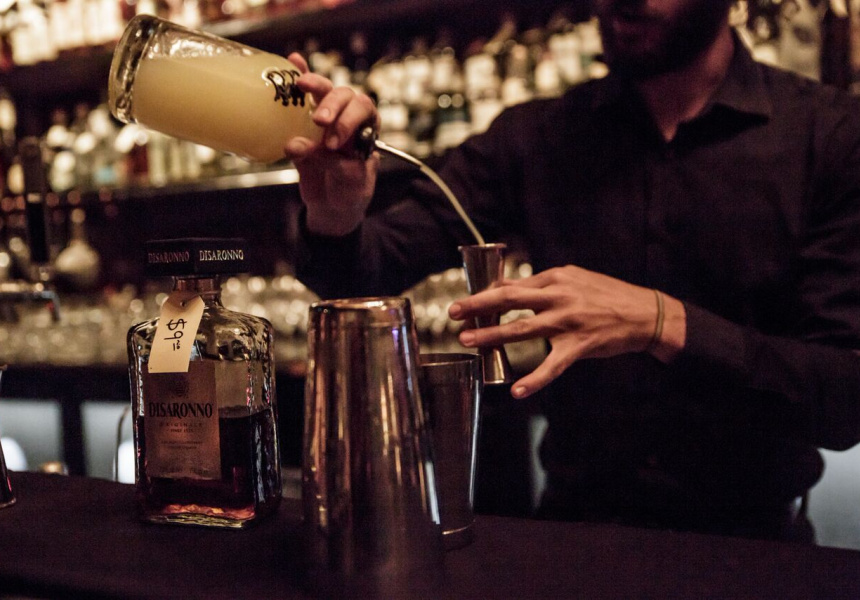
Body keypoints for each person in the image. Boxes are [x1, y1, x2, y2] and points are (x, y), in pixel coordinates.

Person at [284, 0, 860, 541]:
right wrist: (335, 213)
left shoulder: (828, 135)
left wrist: (662, 322)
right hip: (575, 541)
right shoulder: (537, 137)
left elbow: (844, 399)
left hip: (754, 551)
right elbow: (367, 273)